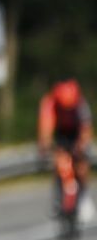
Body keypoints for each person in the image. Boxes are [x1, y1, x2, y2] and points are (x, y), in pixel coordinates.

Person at [37, 78, 92, 215]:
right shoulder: (50, 103)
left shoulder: (80, 104)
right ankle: (58, 197)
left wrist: (82, 145)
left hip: (75, 133)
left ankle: (84, 197)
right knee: (58, 162)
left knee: (81, 166)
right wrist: (45, 146)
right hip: (59, 133)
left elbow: (85, 128)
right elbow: (46, 129)